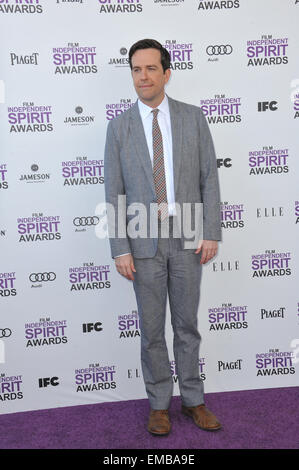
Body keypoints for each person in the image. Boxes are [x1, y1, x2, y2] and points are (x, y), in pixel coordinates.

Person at [104, 39, 222, 435]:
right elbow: (113, 192)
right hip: (142, 239)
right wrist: (120, 247)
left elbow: (209, 178)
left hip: (188, 235)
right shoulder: (118, 127)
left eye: (151, 68)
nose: (143, 76)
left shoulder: (193, 118)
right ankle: (158, 405)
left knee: (187, 325)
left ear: (167, 73)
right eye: (136, 70)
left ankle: (193, 400)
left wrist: (210, 232)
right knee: (152, 329)